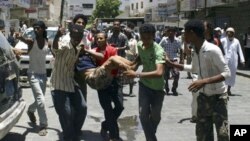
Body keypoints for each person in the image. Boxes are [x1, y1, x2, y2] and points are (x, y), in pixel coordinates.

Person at [165, 19, 230, 141]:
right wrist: (173, 64)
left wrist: (203, 81)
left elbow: (227, 73)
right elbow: (194, 68)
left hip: (218, 98)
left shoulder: (213, 50)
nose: (183, 36)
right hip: (203, 97)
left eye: (185, 33)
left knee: (223, 134)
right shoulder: (195, 50)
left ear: (193, 33)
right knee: (203, 135)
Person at [124, 24, 165, 141]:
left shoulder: (158, 50)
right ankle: (151, 138)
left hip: (158, 88)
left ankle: (150, 135)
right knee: (143, 115)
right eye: (143, 38)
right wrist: (133, 66)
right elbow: (140, 58)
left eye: (148, 38)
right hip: (144, 86)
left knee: (156, 117)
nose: (145, 41)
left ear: (153, 36)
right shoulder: (139, 45)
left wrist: (136, 74)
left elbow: (159, 72)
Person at [51, 24, 87, 141]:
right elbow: (56, 48)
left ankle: (74, 132)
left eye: (79, 37)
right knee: (66, 113)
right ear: (70, 35)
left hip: (71, 82)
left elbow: (74, 63)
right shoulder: (65, 45)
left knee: (82, 107)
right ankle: (69, 137)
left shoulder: (79, 47)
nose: (77, 39)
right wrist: (57, 36)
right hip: (59, 84)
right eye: (74, 36)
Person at [15, 21, 49, 136]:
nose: (35, 30)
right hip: (33, 74)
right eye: (34, 28)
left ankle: (30, 110)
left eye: (38, 28)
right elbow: (24, 40)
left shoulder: (46, 42)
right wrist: (20, 37)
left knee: (40, 100)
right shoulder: (31, 41)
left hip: (43, 75)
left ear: (43, 29)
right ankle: (43, 125)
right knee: (41, 100)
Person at [221, 27, 245, 96]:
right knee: (224, 75)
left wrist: (242, 60)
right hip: (224, 60)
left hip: (233, 61)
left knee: (232, 75)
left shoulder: (236, 41)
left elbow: (239, 50)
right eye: (227, 32)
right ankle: (223, 89)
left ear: (233, 33)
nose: (229, 33)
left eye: (230, 32)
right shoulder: (223, 40)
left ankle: (228, 90)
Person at [159, 27, 183, 96]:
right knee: (165, 76)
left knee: (176, 74)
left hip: (174, 60)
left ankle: (174, 88)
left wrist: (181, 59)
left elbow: (181, 49)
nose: (170, 33)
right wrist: (162, 55)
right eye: (169, 31)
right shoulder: (164, 39)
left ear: (175, 33)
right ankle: (166, 89)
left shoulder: (177, 40)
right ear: (167, 32)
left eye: (172, 31)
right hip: (166, 60)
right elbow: (159, 47)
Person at [124, 28, 138, 96]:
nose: (127, 33)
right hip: (123, 58)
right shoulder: (123, 39)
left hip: (131, 59)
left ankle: (131, 91)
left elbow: (136, 51)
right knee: (121, 75)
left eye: (128, 32)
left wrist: (136, 62)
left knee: (131, 75)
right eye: (126, 32)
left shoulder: (134, 41)